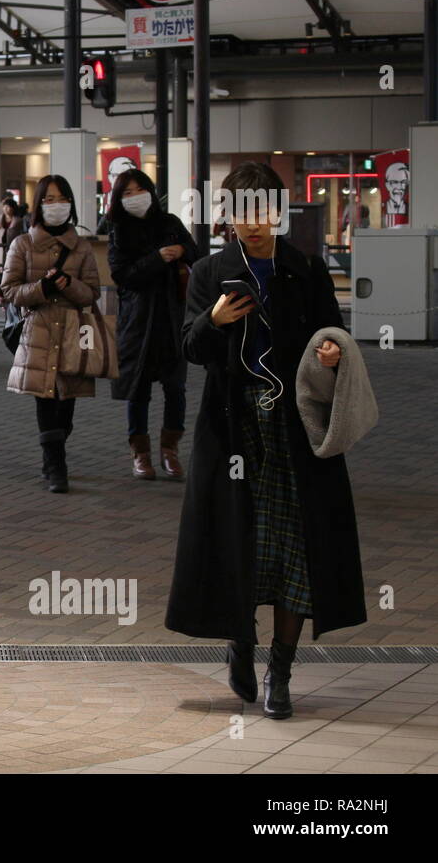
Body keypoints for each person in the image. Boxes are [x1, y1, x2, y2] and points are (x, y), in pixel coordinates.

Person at [166, 161, 367, 721]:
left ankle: (281, 669)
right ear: (227, 216)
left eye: (263, 212)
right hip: (233, 429)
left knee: (295, 550)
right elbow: (189, 349)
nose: (253, 224)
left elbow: (333, 334)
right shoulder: (209, 273)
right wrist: (214, 319)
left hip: (294, 432)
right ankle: (241, 642)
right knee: (238, 544)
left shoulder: (303, 268)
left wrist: (332, 352)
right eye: (242, 212)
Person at [0, 173, 100, 493]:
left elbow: (93, 293)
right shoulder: (23, 244)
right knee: (46, 398)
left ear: (71, 204)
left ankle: (52, 453)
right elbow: (9, 290)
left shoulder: (81, 247)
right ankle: (56, 466)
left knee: (66, 403)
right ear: (39, 205)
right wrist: (41, 288)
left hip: (72, 331)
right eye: (49, 199)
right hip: (39, 329)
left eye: (62, 199)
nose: (56, 205)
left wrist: (69, 285)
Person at [106, 169, 200, 480]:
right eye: (127, 193)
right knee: (138, 388)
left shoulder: (170, 223)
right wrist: (158, 258)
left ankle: (170, 450)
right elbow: (123, 275)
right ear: (119, 199)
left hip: (173, 318)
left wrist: (183, 250)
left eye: (139, 190)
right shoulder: (118, 229)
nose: (135, 197)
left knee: (176, 387)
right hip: (138, 320)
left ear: (151, 190)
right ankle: (140, 453)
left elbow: (199, 256)